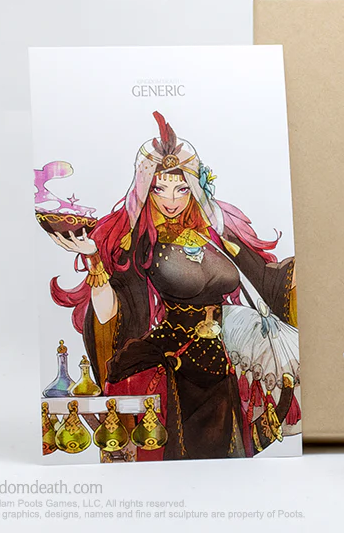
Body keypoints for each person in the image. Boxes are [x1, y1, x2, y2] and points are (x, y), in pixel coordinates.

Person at [47, 111, 297, 461]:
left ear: (194, 188)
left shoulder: (216, 235)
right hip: (172, 362)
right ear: (145, 190)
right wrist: (94, 260)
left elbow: (267, 277)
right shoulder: (140, 244)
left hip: (222, 361)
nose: (171, 199)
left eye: (181, 188)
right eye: (159, 188)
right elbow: (110, 312)